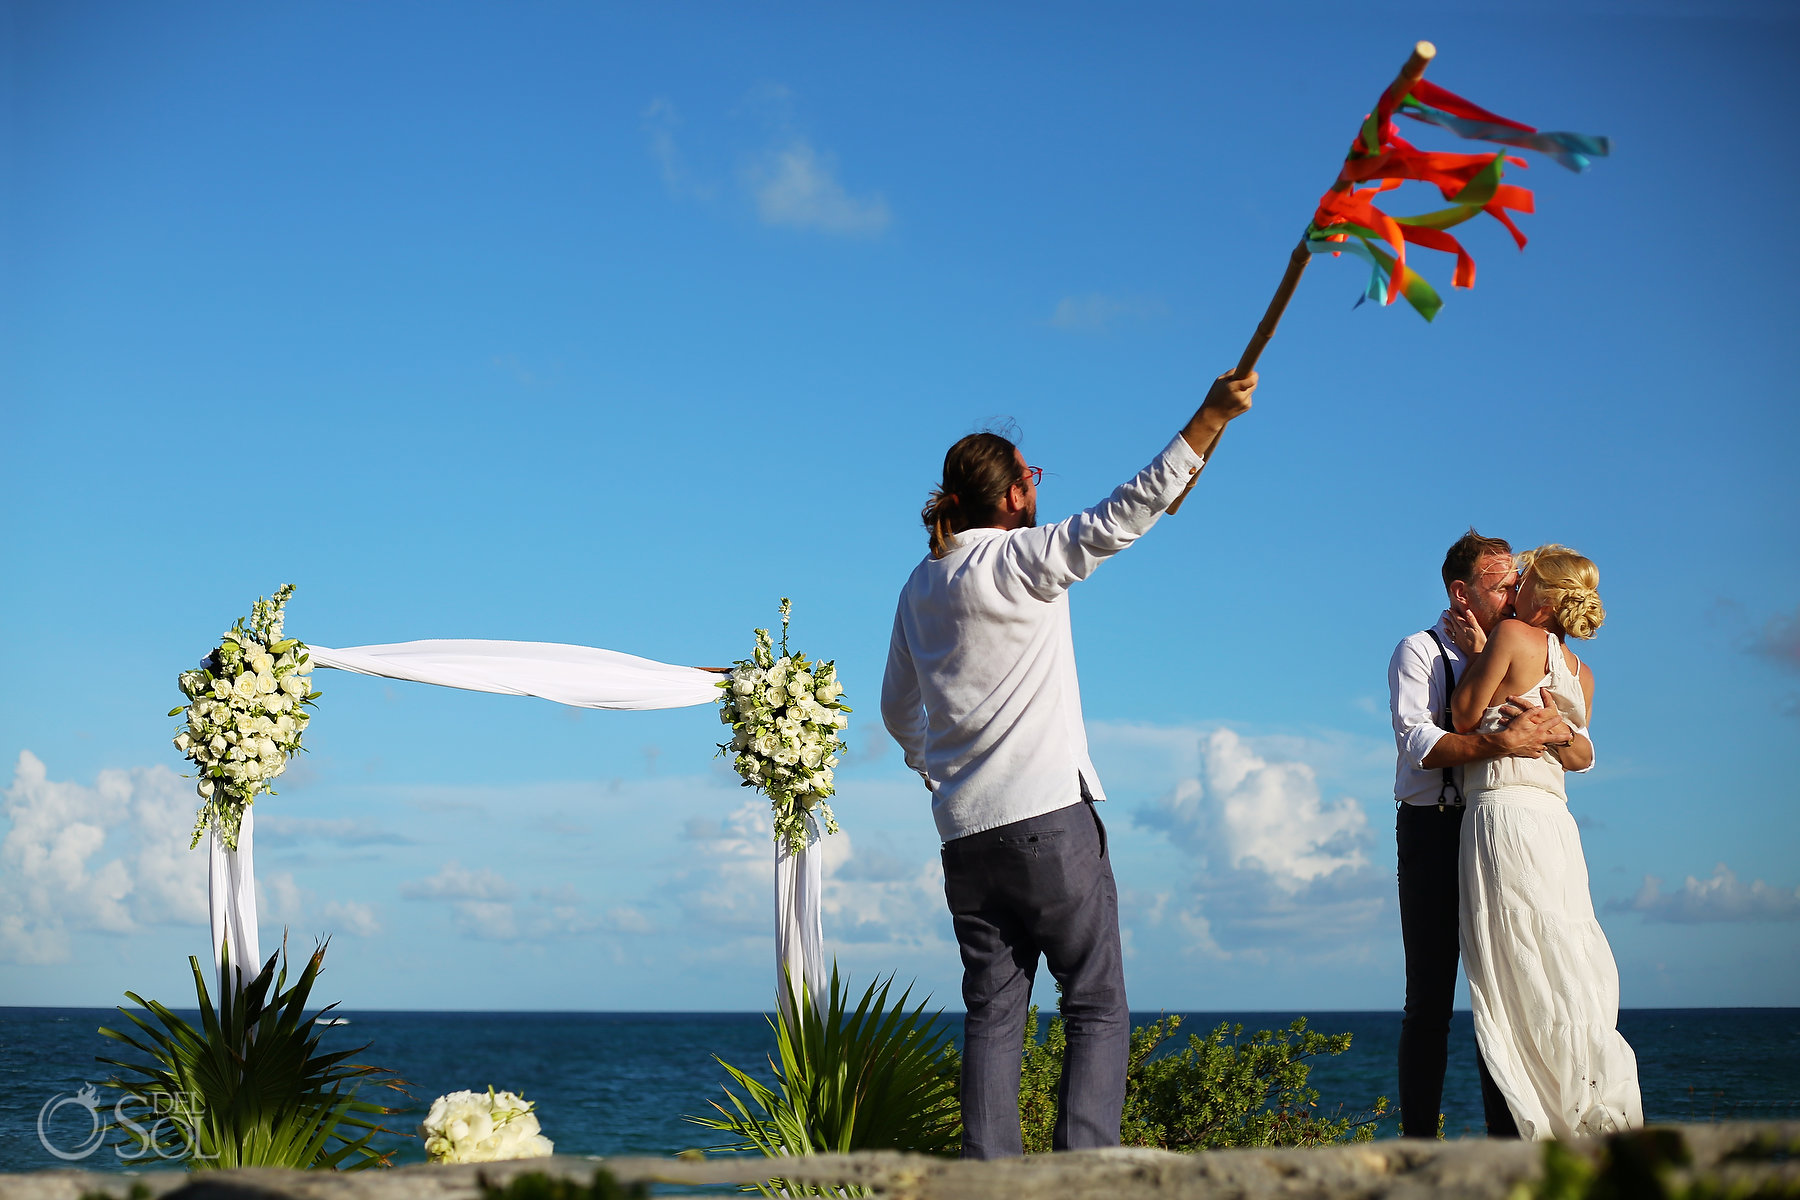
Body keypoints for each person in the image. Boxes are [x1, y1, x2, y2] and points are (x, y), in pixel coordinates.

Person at [880, 370, 1256, 1158]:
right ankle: (1081, 1176)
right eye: (1032, 476)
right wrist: (1210, 415)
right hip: (1048, 819)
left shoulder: (920, 585)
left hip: (963, 836)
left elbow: (894, 708)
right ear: (1013, 496)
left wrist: (929, 765)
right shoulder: (1022, 559)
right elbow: (1129, 510)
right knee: (1094, 1003)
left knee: (992, 1015)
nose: (1037, 486)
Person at [1387, 530, 1592, 1138]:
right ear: (1461, 591)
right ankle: (1419, 1142)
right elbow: (1421, 744)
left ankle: (1511, 1142)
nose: (1511, 597)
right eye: (1500, 587)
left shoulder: (1518, 647)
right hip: (1430, 831)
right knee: (1428, 998)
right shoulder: (1418, 652)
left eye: (1514, 585)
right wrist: (1500, 743)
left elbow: (1577, 743)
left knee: (1503, 990)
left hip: (1497, 832)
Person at [1450, 544, 1641, 1139]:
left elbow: (1462, 714)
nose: (1514, 587)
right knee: (1566, 959)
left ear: (1538, 595)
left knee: (1516, 967)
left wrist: (1481, 652)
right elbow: (1582, 754)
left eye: (1522, 579)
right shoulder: (1579, 671)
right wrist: (1556, 730)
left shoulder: (1509, 634)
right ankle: (1587, 1107)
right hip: (1556, 825)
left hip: (1505, 813)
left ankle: (1536, 1116)